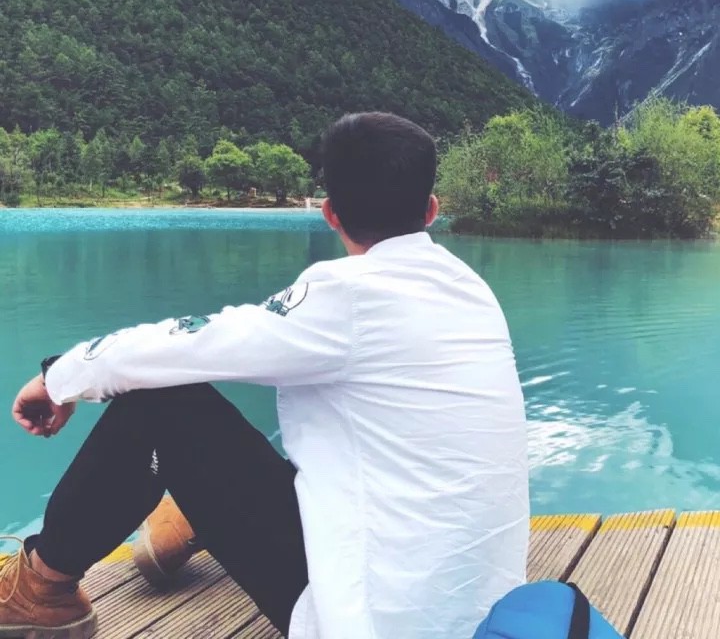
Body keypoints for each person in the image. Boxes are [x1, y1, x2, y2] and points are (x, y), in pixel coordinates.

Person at [4, 113, 529, 639]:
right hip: (483, 609)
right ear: (431, 210)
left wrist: (59, 377)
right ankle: (187, 515)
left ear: (329, 213)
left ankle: (42, 589)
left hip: (373, 622)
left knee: (159, 406)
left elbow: (183, 345)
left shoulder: (347, 295)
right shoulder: (471, 291)